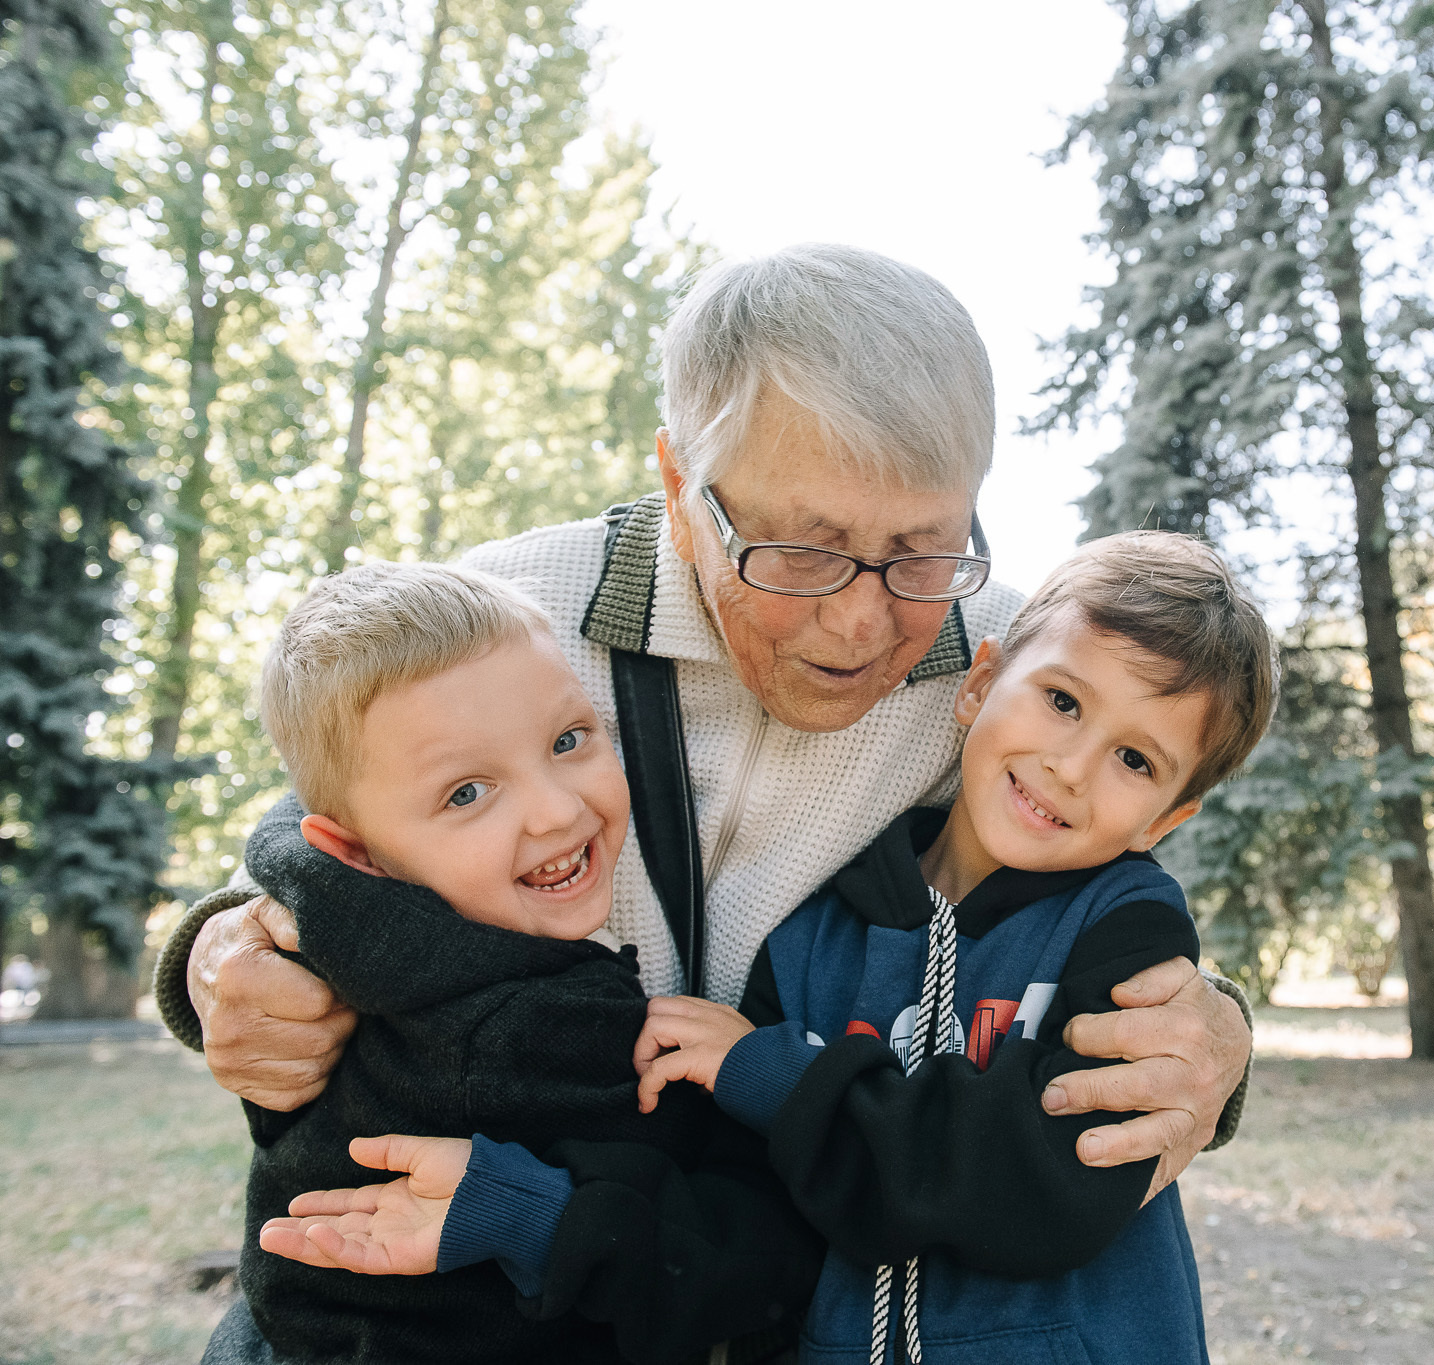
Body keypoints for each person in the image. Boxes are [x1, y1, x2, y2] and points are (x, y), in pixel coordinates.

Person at [154, 244, 1255, 1350]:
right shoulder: (505, 619)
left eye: (919, 549)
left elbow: (1115, 870)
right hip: (420, 1287)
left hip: (720, 1263)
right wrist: (215, 962)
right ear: (682, 487)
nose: (861, 622)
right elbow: (301, 855)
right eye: (802, 552)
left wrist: (1214, 1025)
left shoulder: (1012, 672)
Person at [262, 532, 1274, 1365]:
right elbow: (746, 1210)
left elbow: (1042, 1190)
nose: (1068, 766)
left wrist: (773, 1075)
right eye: (1060, 701)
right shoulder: (815, 920)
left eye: (1134, 760)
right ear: (980, 683)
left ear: (1167, 817)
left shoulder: (1122, 932)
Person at [225, 560, 819, 1365]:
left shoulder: (338, 948)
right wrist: (774, 1076)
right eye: (467, 792)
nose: (556, 808)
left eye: (568, 740)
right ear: (356, 850)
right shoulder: (526, 1030)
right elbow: (722, 1259)